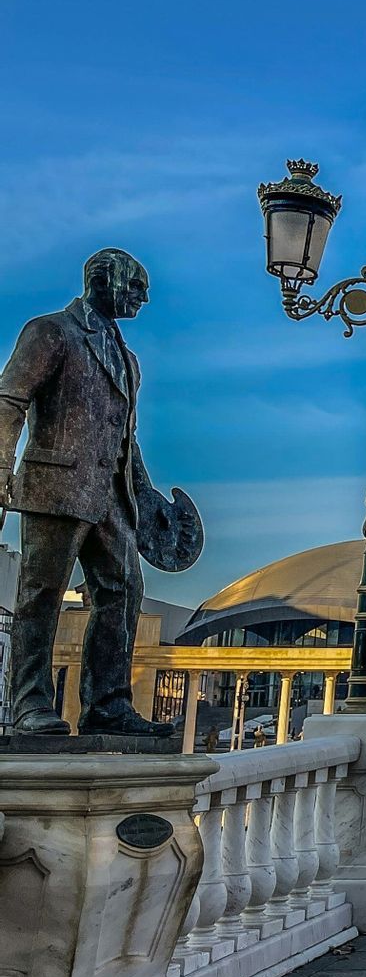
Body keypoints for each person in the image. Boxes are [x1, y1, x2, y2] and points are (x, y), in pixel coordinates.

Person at [0, 248, 194, 742]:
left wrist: (148, 501)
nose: (143, 299)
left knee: (125, 590)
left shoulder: (126, 357)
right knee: (40, 596)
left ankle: (108, 705)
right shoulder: (52, 332)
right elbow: (10, 400)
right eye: (136, 288)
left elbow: (124, 437)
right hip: (56, 486)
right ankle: (30, 705)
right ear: (102, 280)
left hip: (112, 497)